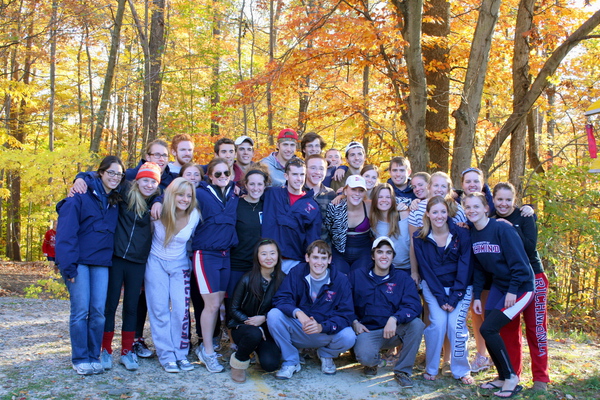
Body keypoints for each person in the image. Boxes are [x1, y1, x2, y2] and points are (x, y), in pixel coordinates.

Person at [459, 167, 534, 373]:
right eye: (468, 208)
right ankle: (503, 376)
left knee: (490, 329)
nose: (472, 210)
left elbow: (520, 265)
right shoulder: (473, 232)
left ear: (486, 208)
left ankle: (511, 377)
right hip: (499, 286)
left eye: (476, 207)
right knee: (488, 328)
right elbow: (480, 269)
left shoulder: (502, 228)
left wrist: (512, 290)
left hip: (521, 287)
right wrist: (476, 296)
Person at [56, 155, 125, 375]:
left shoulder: (115, 200)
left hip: (101, 263)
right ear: (101, 173)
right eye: (111, 172)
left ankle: (94, 355)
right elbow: (65, 235)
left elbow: (143, 179)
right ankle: (80, 358)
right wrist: (68, 268)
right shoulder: (80, 196)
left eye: (119, 174)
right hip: (79, 263)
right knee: (80, 311)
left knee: (98, 312)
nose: (115, 177)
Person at [100, 162, 161, 372]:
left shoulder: (156, 201)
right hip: (117, 258)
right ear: (138, 180)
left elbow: (172, 195)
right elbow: (100, 176)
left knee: (131, 307)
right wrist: (80, 178)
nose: (149, 184)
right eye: (145, 179)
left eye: (153, 181)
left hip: (138, 262)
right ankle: (105, 349)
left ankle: (127, 351)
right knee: (110, 306)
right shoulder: (125, 192)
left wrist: (160, 199)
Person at [267, 240, 356, 379]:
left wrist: (322, 326)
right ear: (307, 257)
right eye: (315, 257)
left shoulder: (340, 280)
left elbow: (346, 314)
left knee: (349, 336)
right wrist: (298, 313)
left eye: (323, 258)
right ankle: (291, 360)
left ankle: (326, 355)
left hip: (324, 332)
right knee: (274, 315)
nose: (319, 262)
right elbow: (281, 298)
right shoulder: (297, 272)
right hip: (300, 327)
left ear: (330, 260)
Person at [492, 182, 549, 391]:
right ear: (494, 200)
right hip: (508, 282)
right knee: (508, 330)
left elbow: (529, 246)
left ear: (515, 201)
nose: (504, 204)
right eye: (499, 199)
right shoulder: (490, 218)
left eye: (508, 200)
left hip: (534, 277)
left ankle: (541, 378)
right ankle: (511, 375)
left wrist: (509, 228)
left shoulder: (524, 216)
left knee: (536, 329)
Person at [348, 236, 425, 388]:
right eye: (380, 252)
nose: (384, 256)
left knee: (416, 325)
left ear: (393, 256)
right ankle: (373, 362)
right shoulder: (357, 276)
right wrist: (354, 321)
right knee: (365, 357)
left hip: (393, 330)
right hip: (368, 330)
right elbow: (344, 303)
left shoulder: (402, 278)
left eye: (388, 252)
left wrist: (395, 318)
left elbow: (414, 306)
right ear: (373, 255)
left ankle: (402, 371)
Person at [413, 196, 474, 384]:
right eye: (435, 212)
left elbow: (465, 266)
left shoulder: (461, 234)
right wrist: (441, 299)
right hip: (434, 288)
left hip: (461, 288)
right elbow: (426, 271)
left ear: (448, 213)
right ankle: (431, 367)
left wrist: (454, 297)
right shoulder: (420, 237)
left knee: (455, 326)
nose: (439, 216)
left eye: (443, 211)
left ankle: (461, 370)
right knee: (438, 324)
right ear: (428, 214)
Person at [145, 178, 200, 373]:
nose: (185, 199)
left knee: (180, 310)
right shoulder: (158, 212)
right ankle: (166, 355)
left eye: (188, 195)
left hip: (180, 265)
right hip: (156, 263)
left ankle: (181, 353)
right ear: (171, 194)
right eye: (180, 194)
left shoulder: (194, 215)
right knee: (159, 310)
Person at [193, 158, 239, 373]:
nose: (222, 177)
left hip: (225, 255)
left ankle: (207, 346)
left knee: (219, 302)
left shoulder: (234, 194)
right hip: (206, 254)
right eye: (217, 174)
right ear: (209, 176)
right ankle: (208, 351)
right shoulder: (200, 193)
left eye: (226, 173)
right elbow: (176, 196)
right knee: (210, 305)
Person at [228, 239, 285, 382]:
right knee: (253, 334)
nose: (269, 257)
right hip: (242, 326)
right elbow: (233, 309)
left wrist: (264, 318)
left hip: (266, 329)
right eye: (264, 254)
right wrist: (251, 323)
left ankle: (257, 351)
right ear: (257, 257)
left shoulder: (283, 279)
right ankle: (238, 363)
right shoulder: (247, 279)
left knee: (270, 365)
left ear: (278, 255)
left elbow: (284, 307)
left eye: (272, 253)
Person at [261, 158, 322, 273]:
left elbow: (313, 240)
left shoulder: (312, 206)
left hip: (294, 262)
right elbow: (252, 194)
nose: (299, 179)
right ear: (286, 176)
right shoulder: (271, 194)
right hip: (267, 258)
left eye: (302, 174)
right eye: (294, 174)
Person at [228, 167, 270, 315]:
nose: (256, 188)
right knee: (234, 303)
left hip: (260, 266)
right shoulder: (236, 204)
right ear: (245, 184)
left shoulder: (268, 205)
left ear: (265, 185)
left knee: (257, 304)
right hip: (237, 263)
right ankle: (232, 338)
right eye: (252, 184)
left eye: (260, 184)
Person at [325, 175, 372, 274]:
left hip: (363, 252)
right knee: (340, 281)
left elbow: (389, 202)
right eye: (353, 189)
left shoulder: (369, 206)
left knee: (359, 279)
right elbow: (328, 229)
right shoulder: (335, 207)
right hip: (339, 252)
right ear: (345, 190)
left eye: (361, 190)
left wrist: (410, 204)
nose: (357, 194)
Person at [369, 183, 410, 272]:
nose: (384, 200)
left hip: (407, 267)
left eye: (388, 197)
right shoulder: (373, 221)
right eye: (380, 197)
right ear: (375, 199)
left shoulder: (404, 214)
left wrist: (415, 271)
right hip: (385, 269)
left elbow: (414, 244)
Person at [304, 154, 336, 242]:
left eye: (321, 169)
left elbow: (334, 227)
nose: (317, 172)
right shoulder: (297, 192)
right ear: (305, 170)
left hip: (323, 249)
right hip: (299, 250)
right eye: (313, 168)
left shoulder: (331, 194)